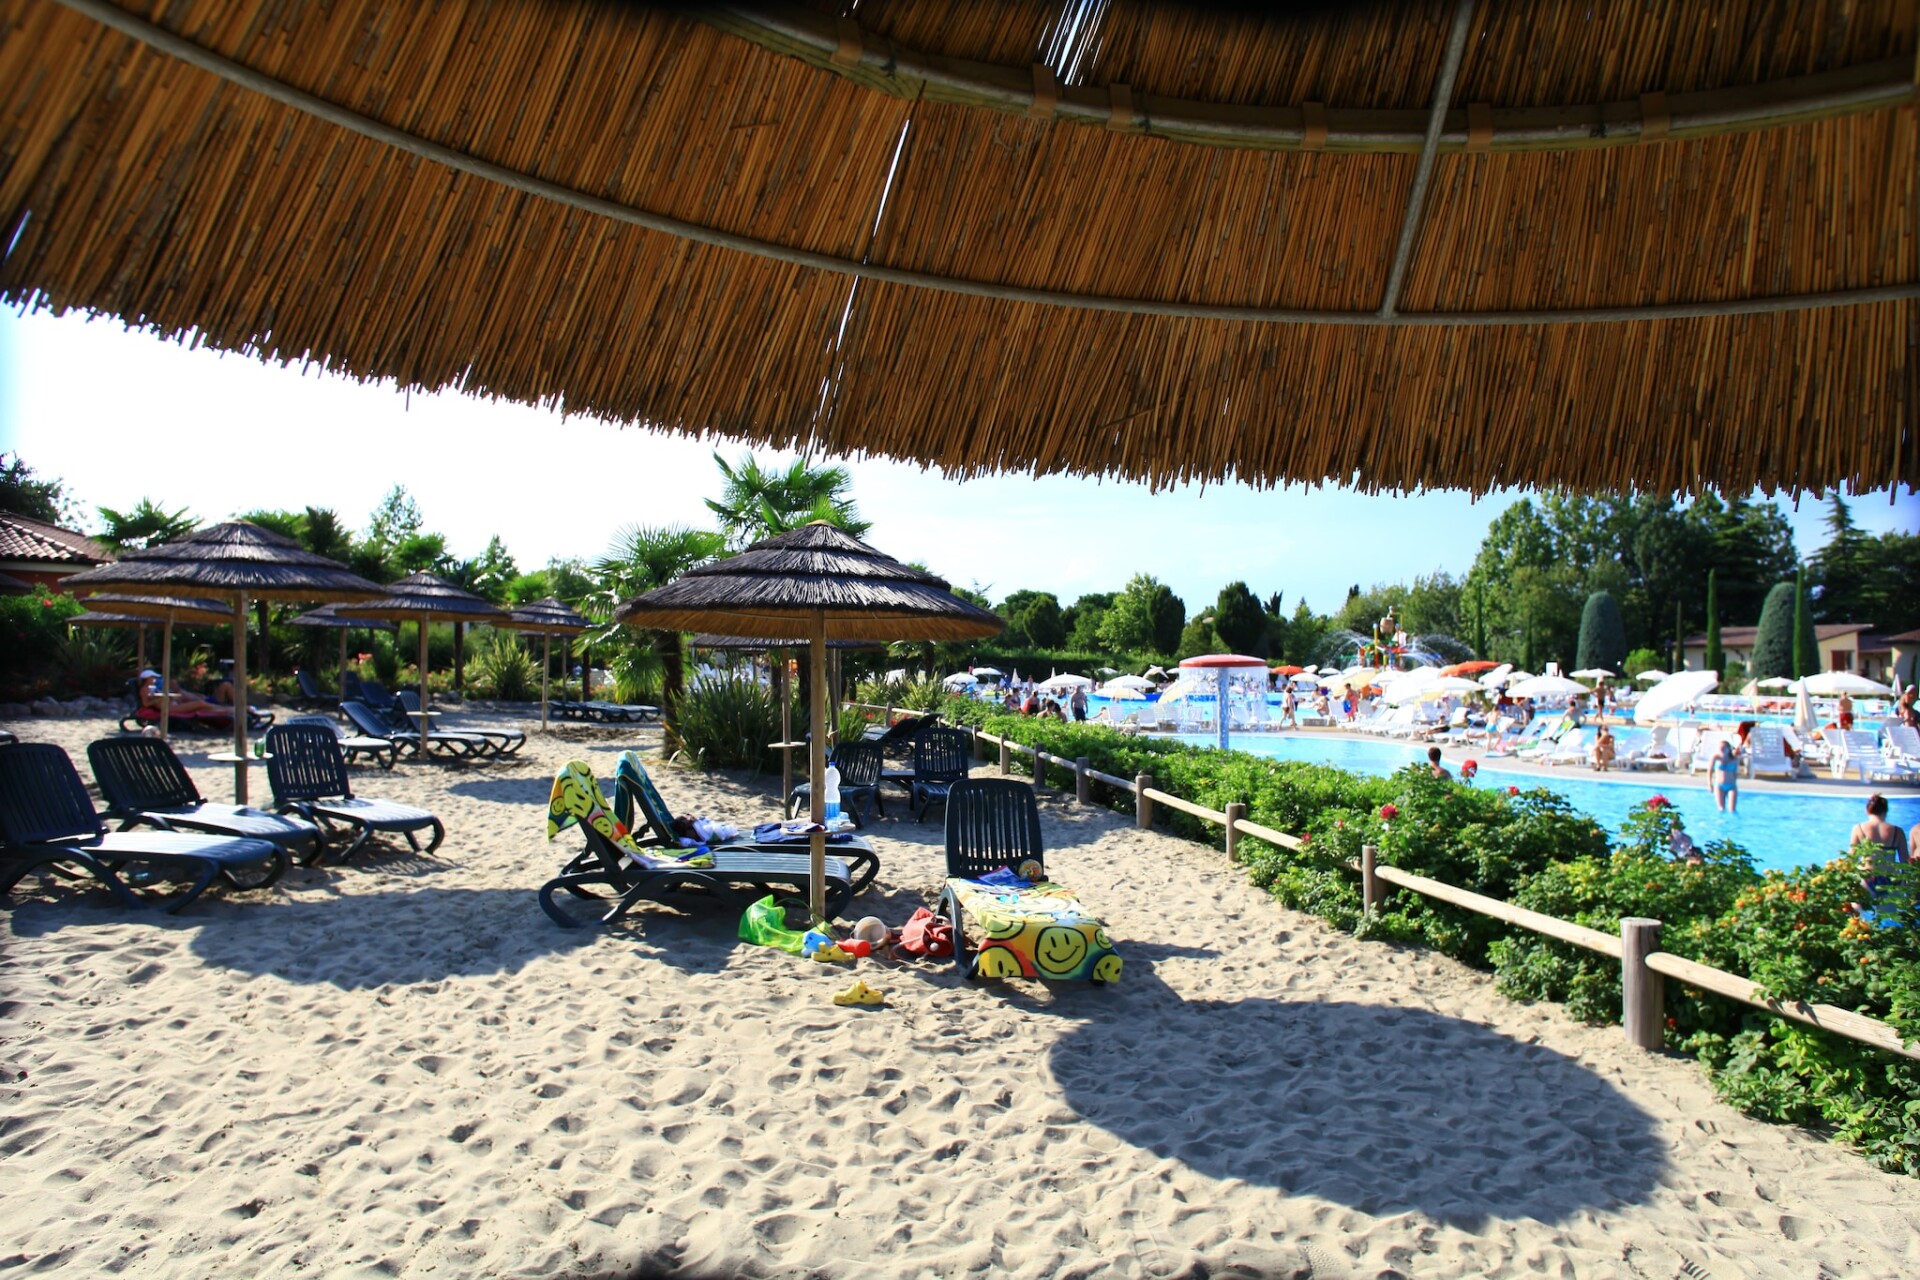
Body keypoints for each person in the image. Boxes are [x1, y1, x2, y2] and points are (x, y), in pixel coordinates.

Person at [1850, 795, 1909, 908]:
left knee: (1854, 916)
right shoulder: (1898, 832)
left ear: (1867, 810)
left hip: (1867, 879)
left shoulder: (1859, 828)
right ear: (1886, 811)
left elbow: (1852, 859)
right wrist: (1907, 887)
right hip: (1891, 881)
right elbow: (1905, 863)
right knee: (1890, 917)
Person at [1709, 738, 1740, 812]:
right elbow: (1709, 771)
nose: (1721, 749)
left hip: (1732, 786)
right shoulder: (1716, 757)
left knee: (1732, 810)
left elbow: (1735, 773)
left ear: (1728, 749)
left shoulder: (1734, 759)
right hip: (1719, 786)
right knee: (1721, 809)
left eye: (1723, 748)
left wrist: (1734, 783)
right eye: (1720, 748)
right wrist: (1710, 784)